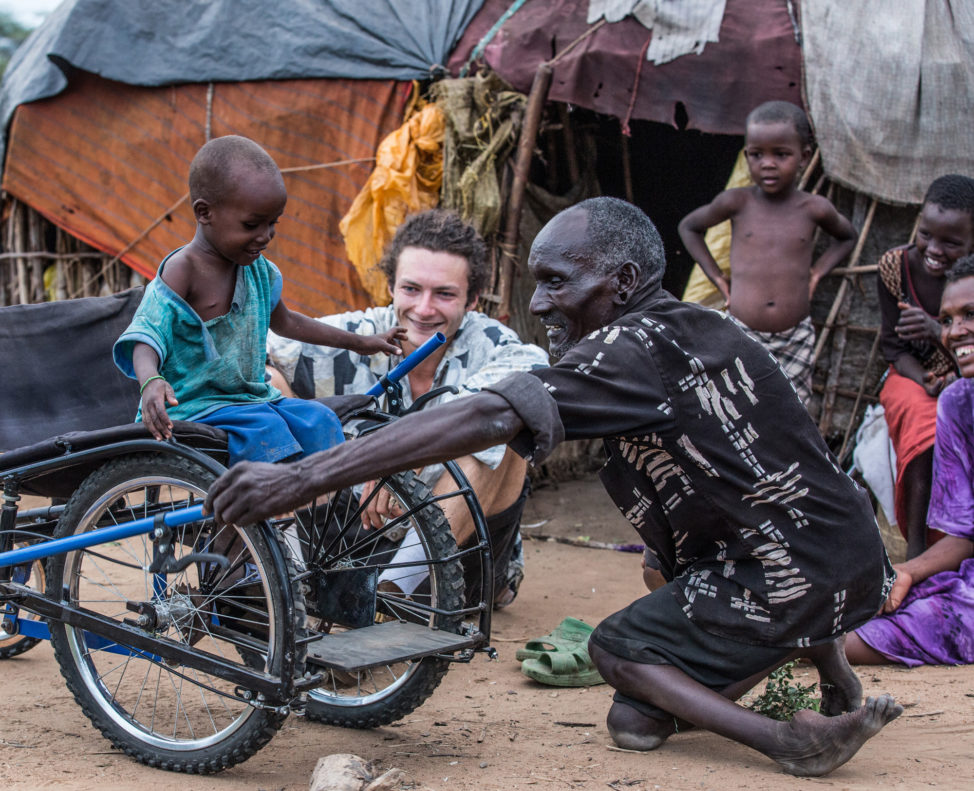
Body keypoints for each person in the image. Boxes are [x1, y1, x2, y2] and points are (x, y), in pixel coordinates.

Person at [207, 197, 902, 777]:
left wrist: (298, 476)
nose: (540, 302)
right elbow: (786, 492)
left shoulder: (627, 351)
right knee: (633, 719)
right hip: (849, 560)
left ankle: (786, 741)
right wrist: (833, 661)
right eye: (537, 282)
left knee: (616, 649)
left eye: (558, 281)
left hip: (784, 575)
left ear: (623, 281)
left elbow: (486, 415)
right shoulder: (702, 327)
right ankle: (820, 669)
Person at [265, 209, 549, 607]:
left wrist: (401, 452)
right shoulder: (361, 335)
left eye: (445, 294)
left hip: (460, 558)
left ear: (472, 299)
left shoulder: (491, 344)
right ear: (391, 288)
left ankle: (395, 596)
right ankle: (288, 572)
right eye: (411, 289)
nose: (424, 309)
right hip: (359, 540)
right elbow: (261, 353)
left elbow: (536, 371)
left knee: (505, 421)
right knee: (267, 391)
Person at [114, 135, 405, 466]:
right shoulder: (184, 270)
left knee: (320, 420)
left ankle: (329, 512)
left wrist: (361, 342)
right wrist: (151, 381)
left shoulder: (259, 272)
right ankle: (258, 511)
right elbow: (146, 335)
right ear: (204, 212)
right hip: (195, 406)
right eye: (252, 225)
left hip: (250, 400)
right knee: (267, 430)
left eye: (272, 224)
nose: (265, 236)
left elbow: (288, 322)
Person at [678, 101, 858, 404]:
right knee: (738, 407)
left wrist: (816, 273)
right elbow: (689, 228)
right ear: (747, 155)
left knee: (792, 412)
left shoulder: (813, 208)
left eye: (781, 154)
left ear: (804, 156)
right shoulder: (737, 202)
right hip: (743, 332)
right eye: (757, 154)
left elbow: (847, 237)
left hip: (795, 338)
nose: (768, 164)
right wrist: (719, 280)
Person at [847, 255, 974, 666]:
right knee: (865, 604)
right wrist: (908, 572)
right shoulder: (958, 403)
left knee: (860, 634)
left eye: (970, 314)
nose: (955, 333)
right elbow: (961, 535)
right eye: (948, 320)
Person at [875, 174, 974, 558]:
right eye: (925, 234)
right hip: (911, 373)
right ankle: (917, 546)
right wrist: (926, 381)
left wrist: (937, 330)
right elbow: (892, 347)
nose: (934, 249)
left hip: (961, 373)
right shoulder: (894, 267)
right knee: (923, 421)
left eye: (951, 242)